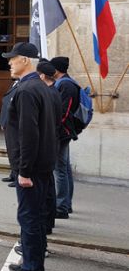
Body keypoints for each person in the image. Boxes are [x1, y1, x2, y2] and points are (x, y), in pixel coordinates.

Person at [0, 42, 57, 271]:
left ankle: (32, 269)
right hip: (42, 165)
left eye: (13, 59)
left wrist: (23, 170)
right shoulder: (41, 87)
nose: (9, 63)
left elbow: (28, 134)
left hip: (31, 168)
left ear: (25, 60)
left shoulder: (26, 90)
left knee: (29, 218)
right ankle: (32, 263)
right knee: (37, 217)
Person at [50, 56, 79, 219]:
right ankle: (66, 204)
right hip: (64, 131)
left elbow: (64, 112)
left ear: (57, 69)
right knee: (64, 168)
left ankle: (62, 207)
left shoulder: (66, 85)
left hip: (62, 132)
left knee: (60, 169)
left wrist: (54, 130)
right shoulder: (66, 83)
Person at [36, 59, 63, 237]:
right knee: (48, 185)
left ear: (43, 76)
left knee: (45, 188)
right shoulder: (53, 92)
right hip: (51, 142)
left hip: (47, 144)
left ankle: (46, 223)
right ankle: (48, 220)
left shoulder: (49, 93)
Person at [0, 79, 19, 188]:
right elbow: (6, 103)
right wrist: (3, 121)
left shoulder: (22, 84)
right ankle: (13, 173)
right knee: (11, 150)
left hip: (14, 124)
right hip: (8, 122)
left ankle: (18, 176)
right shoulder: (15, 83)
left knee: (15, 151)